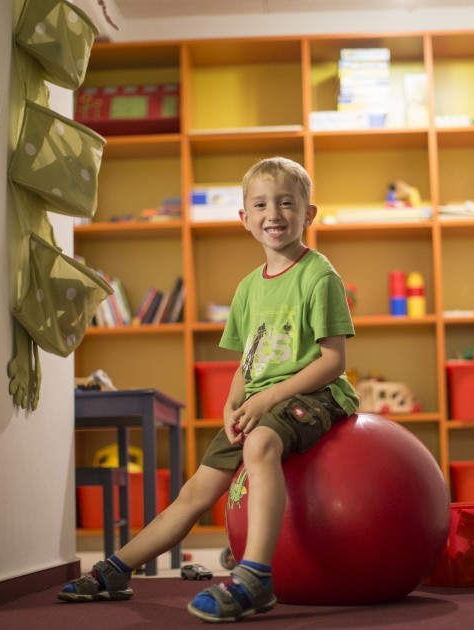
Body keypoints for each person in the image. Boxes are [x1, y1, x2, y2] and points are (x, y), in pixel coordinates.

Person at [58, 156, 359, 622]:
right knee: (195, 491)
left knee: (259, 444)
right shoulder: (247, 290)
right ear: (244, 218)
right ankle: (115, 569)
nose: (273, 214)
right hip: (261, 401)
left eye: (286, 203)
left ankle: (255, 577)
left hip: (315, 395)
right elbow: (248, 362)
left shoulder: (320, 276)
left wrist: (266, 398)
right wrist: (233, 403)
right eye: (260, 204)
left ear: (309, 214)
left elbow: (334, 361)